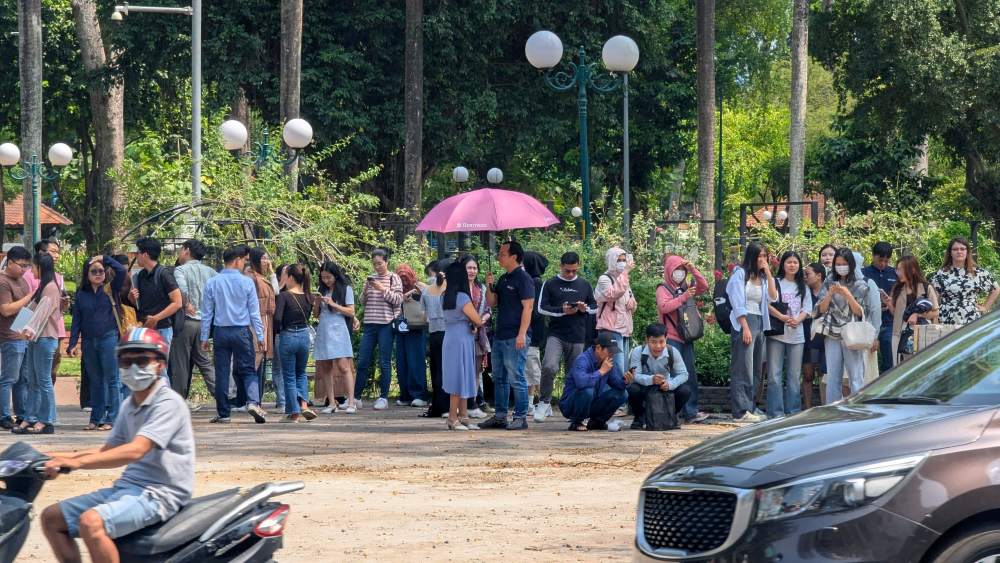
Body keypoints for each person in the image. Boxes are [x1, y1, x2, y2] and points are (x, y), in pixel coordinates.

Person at [39, 328, 194, 563]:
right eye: (126, 361)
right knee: (51, 518)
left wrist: (76, 463)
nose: (133, 367)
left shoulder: (168, 403)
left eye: (142, 360)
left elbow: (136, 450)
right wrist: (58, 456)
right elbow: (109, 450)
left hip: (160, 493)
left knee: (91, 522)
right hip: (129, 487)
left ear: (160, 364)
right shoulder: (129, 404)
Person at [200, 245, 267, 424]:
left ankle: (224, 414)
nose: (245, 263)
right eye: (244, 260)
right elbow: (254, 313)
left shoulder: (212, 282)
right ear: (237, 260)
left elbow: (207, 313)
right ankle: (253, 402)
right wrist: (260, 336)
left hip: (220, 332)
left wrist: (204, 337)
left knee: (222, 372)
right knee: (248, 369)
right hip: (241, 331)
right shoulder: (247, 282)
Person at [480, 240, 535, 431]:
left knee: (516, 376)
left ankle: (520, 416)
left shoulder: (524, 278)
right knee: (499, 377)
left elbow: (528, 307)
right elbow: (492, 302)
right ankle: (500, 416)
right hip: (501, 335)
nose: (499, 257)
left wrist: (522, 334)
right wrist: (489, 285)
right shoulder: (504, 278)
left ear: (514, 257)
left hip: (515, 335)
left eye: (503, 254)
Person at [67, 255, 127, 431]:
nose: (98, 274)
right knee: (95, 380)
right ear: (87, 274)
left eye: (101, 271)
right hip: (88, 341)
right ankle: (96, 418)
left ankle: (113, 419)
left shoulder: (111, 289)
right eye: (94, 271)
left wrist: (104, 258)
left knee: (112, 379)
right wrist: (72, 343)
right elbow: (76, 321)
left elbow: (121, 270)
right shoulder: (81, 295)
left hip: (109, 338)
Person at [536, 251, 597, 422]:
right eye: (567, 270)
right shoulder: (550, 283)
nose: (570, 274)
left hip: (578, 335)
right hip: (556, 334)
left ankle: (571, 407)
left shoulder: (585, 284)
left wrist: (585, 309)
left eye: (574, 271)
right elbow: (541, 308)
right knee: (549, 366)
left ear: (578, 266)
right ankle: (544, 402)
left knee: (574, 374)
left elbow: (595, 306)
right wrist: (561, 310)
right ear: (561, 266)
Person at [726, 242, 778, 423]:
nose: (762, 259)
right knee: (743, 367)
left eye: (764, 256)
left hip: (760, 321)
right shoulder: (740, 274)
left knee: (756, 368)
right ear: (751, 257)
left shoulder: (763, 278)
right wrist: (745, 326)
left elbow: (773, 297)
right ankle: (740, 411)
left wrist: (769, 272)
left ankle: (750, 405)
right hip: (744, 321)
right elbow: (736, 301)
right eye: (759, 256)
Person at [815, 248, 874, 402]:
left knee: (856, 376)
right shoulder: (829, 281)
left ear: (851, 264)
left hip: (853, 333)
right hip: (832, 333)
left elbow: (861, 312)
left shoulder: (860, 284)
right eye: (838, 264)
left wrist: (847, 294)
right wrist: (830, 294)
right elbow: (820, 309)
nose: (841, 267)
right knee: (833, 376)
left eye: (844, 264)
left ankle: (857, 408)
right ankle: (833, 409)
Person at [656, 255, 710, 423]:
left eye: (682, 270)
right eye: (676, 269)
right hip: (671, 338)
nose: (679, 273)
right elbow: (664, 307)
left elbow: (704, 286)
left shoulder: (686, 286)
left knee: (689, 375)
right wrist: (683, 297)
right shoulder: (663, 288)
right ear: (669, 270)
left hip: (687, 337)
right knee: (674, 376)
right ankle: (673, 411)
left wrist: (692, 269)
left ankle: (691, 411)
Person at [13, 253, 62, 435]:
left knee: (43, 380)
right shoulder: (43, 287)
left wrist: (27, 330)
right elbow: (31, 308)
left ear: (40, 267)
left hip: (45, 339)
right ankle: (30, 417)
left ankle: (47, 420)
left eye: (32, 266)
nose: (30, 270)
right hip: (36, 339)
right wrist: (18, 327)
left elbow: (42, 313)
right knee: (33, 380)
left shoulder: (51, 288)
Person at [168, 239, 222, 406]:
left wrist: (186, 304)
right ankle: (222, 396)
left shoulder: (180, 270)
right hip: (205, 324)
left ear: (186, 250)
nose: (179, 253)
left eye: (181, 250)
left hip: (186, 322)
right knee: (205, 362)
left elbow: (182, 290)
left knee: (180, 363)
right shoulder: (211, 272)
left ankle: (178, 401)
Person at [765, 251, 813, 419]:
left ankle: (793, 412)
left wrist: (797, 320)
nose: (792, 265)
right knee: (774, 375)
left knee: (794, 376)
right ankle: (775, 413)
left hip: (796, 336)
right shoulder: (775, 282)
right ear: (783, 264)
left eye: (795, 262)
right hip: (777, 334)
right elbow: (767, 303)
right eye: (789, 262)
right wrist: (782, 317)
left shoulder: (803, 286)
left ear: (799, 265)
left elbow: (807, 308)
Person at [355, 249, 404, 410]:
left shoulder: (393, 278)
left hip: (386, 324)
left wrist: (382, 289)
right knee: (363, 361)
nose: (377, 267)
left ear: (386, 262)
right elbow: (362, 301)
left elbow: (398, 300)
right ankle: (356, 397)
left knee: (384, 362)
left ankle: (383, 397)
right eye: (374, 264)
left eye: (380, 263)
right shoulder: (370, 278)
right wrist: (366, 291)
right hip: (370, 324)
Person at [441, 258, 484, 430]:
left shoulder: (445, 296)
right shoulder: (463, 297)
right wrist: (475, 322)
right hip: (462, 338)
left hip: (450, 336)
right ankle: (453, 418)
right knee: (461, 376)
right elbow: (477, 320)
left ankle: (463, 415)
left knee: (460, 375)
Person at [274, 264, 319, 422]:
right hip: (304, 336)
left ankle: (293, 413)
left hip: (288, 336)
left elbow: (277, 318)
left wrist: (276, 331)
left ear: (291, 278)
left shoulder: (284, 296)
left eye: (285, 276)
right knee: (301, 373)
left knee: (289, 376)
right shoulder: (309, 297)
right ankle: (304, 405)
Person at [625, 323, 690, 430]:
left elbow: (684, 374)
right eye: (653, 342)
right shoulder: (638, 351)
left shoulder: (672, 351)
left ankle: (672, 416)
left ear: (666, 339)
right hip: (646, 386)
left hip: (665, 387)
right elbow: (635, 375)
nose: (658, 346)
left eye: (661, 341)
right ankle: (639, 418)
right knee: (632, 389)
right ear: (647, 340)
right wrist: (651, 379)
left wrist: (670, 384)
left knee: (685, 390)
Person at [313, 261, 358, 414]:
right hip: (324, 329)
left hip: (339, 329)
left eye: (329, 277)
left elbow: (351, 311)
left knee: (344, 366)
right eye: (323, 277)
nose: (326, 280)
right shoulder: (322, 289)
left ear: (335, 275)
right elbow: (316, 315)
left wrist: (333, 304)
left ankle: (351, 403)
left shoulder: (346, 289)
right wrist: (317, 302)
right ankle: (332, 403)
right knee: (326, 367)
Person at [559, 332, 626, 432]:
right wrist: (601, 371)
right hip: (570, 405)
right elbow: (581, 383)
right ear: (598, 348)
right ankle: (576, 422)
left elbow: (617, 385)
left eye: (613, 352)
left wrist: (626, 381)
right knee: (588, 390)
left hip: (591, 404)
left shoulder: (608, 362)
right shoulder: (582, 359)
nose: (612, 354)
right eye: (609, 351)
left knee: (623, 394)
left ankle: (597, 422)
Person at [24, 239, 69, 387]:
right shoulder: (29, 276)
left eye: (58, 252)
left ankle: (46, 402)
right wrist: (20, 327)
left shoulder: (55, 279)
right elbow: (30, 306)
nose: (56, 255)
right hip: (34, 333)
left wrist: (63, 304)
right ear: (42, 253)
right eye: (53, 251)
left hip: (51, 331)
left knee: (46, 377)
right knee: (36, 378)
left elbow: (48, 307)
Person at [0, 246, 33, 430]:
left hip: (23, 336)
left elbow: (25, 310)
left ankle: (21, 415)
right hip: (10, 337)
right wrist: (29, 297)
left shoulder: (22, 281)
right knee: (9, 378)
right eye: (21, 265)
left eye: (27, 266)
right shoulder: (3, 282)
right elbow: (6, 310)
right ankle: (4, 415)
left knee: (23, 379)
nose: (24, 269)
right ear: (10, 262)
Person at [931, 237, 999, 326]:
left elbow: (996, 289)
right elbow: (934, 296)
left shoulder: (977, 272)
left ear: (967, 252)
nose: (959, 251)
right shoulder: (942, 273)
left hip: (971, 317)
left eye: (962, 249)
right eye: (955, 249)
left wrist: (985, 307)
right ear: (950, 252)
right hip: (946, 317)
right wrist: (935, 318)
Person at [129, 237, 183, 347]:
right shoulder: (140, 275)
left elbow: (178, 303)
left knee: (159, 359)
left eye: (138, 253)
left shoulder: (164, 274)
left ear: (145, 254)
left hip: (162, 329)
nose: (136, 256)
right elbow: (139, 304)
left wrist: (155, 318)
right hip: (144, 327)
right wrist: (132, 298)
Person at [888, 256, 940, 365]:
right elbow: (895, 315)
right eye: (897, 269)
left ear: (912, 270)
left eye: (901, 269)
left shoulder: (926, 287)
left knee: (923, 366)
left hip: (922, 333)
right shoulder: (897, 288)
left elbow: (936, 312)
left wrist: (918, 315)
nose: (898, 273)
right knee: (900, 366)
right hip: (899, 333)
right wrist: (889, 303)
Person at [595, 246, 638, 375]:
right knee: (617, 368)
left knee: (623, 368)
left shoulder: (624, 279)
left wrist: (632, 304)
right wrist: (626, 272)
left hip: (624, 329)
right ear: (611, 260)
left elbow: (631, 300)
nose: (622, 263)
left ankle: (621, 388)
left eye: (624, 260)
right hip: (610, 329)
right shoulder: (604, 279)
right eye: (619, 260)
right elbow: (613, 294)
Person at [395, 263, 428, 407]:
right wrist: (401, 297)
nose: (404, 280)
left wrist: (415, 292)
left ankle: (419, 394)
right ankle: (405, 395)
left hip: (416, 328)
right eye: (400, 277)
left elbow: (431, 295)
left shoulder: (419, 285)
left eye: (405, 277)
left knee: (416, 362)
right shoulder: (395, 288)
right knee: (401, 362)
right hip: (401, 328)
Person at [421, 259, 450, 418]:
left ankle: (438, 406)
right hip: (448, 332)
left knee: (436, 370)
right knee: (447, 370)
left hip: (433, 333)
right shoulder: (450, 288)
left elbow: (424, 316)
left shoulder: (426, 290)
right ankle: (448, 407)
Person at [863, 242, 897, 373]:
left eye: (886, 261)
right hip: (869, 322)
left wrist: (890, 302)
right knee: (867, 359)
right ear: (873, 256)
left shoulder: (894, 273)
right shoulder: (864, 273)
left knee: (890, 358)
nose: (883, 263)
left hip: (889, 321)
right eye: (880, 260)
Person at [522, 251, 549, 410]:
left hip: (533, 330)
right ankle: (534, 402)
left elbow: (534, 310)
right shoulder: (534, 281)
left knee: (532, 367)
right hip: (534, 329)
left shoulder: (535, 283)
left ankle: (538, 402)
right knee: (531, 366)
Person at [465, 256, 491, 417]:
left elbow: (488, 310)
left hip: (478, 334)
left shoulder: (481, 288)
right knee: (462, 372)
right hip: (462, 333)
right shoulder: (458, 289)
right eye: (469, 267)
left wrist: (479, 321)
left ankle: (472, 404)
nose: (472, 271)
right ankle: (462, 405)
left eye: (475, 268)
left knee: (475, 372)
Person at [802, 262, 827, 408]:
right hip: (807, 336)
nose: (805, 277)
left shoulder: (828, 291)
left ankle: (825, 406)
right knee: (808, 375)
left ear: (819, 276)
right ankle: (807, 407)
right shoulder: (803, 292)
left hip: (825, 336)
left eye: (808, 274)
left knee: (824, 373)